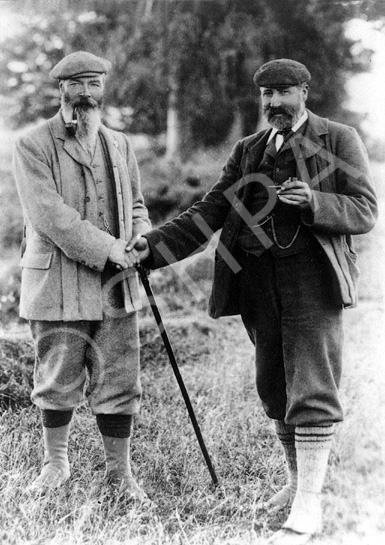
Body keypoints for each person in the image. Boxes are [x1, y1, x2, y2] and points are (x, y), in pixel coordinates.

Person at [126, 59, 378, 543]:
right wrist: (153, 247)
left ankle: (309, 504)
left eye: (283, 92)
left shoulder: (338, 139)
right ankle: (293, 482)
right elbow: (213, 208)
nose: (274, 104)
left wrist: (316, 203)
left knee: (312, 385)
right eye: (266, 95)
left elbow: (365, 209)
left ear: (305, 91)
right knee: (274, 384)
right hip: (256, 281)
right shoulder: (249, 149)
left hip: (311, 279)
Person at [13, 51, 151, 500]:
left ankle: (120, 474)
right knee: (57, 377)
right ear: (61, 90)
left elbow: (136, 207)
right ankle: (56, 464)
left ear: (103, 89)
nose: (86, 94)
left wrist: (140, 239)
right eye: (77, 85)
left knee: (119, 376)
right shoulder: (32, 144)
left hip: (117, 286)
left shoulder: (119, 143)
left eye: (94, 84)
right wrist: (111, 248)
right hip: (57, 281)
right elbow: (51, 217)